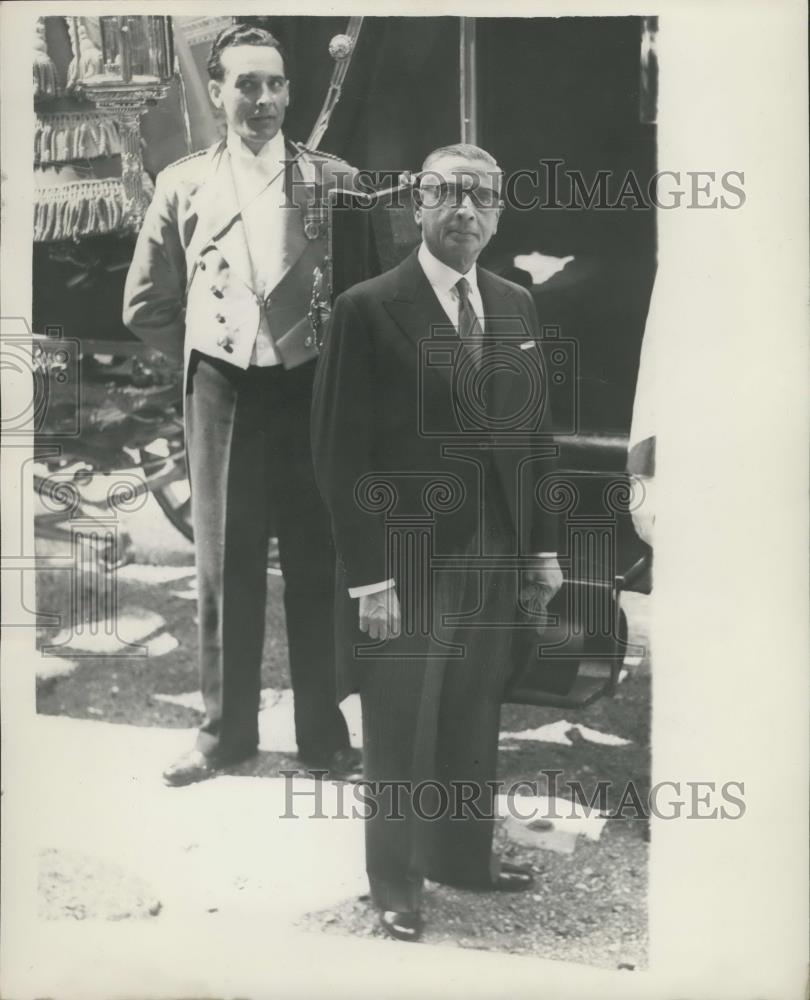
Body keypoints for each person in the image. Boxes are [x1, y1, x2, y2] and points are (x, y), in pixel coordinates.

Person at [311, 143, 563, 941]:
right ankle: (396, 880)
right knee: (400, 720)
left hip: (494, 547)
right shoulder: (367, 307)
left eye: (482, 197)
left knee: (470, 710)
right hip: (410, 554)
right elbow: (338, 454)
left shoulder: (516, 303)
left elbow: (535, 438)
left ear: (498, 213)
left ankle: (460, 856)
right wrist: (370, 580)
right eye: (448, 195)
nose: (466, 211)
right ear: (417, 206)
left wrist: (542, 549)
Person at [123, 24, 361, 786]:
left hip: (312, 389)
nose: (262, 100)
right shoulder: (184, 182)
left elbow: (367, 298)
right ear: (219, 92)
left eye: (276, 84)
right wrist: (209, 356)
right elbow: (144, 303)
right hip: (223, 389)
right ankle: (224, 734)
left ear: (291, 91)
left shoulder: (337, 180)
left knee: (316, 560)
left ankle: (322, 735)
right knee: (224, 566)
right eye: (246, 85)